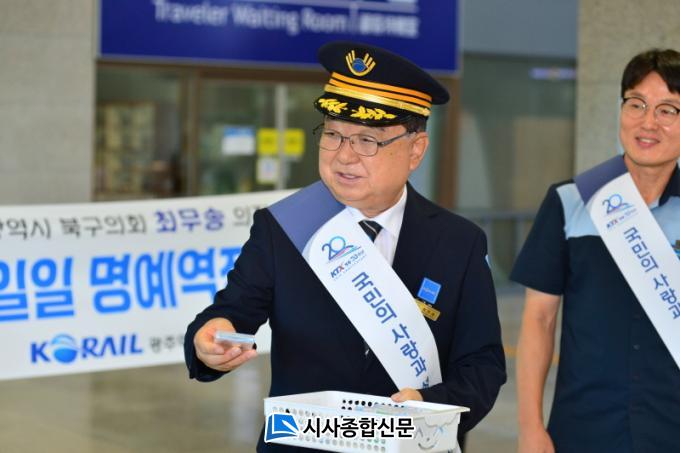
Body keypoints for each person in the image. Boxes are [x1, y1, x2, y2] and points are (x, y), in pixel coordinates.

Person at [185, 40, 506, 451]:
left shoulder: (458, 241)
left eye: (367, 140)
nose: (344, 156)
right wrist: (210, 338)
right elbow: (232, 312)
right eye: (333, 134)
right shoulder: (285, 227)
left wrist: (430, 404)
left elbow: (482, 365)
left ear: (416, 150)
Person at [512, 48, 680, 453]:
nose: (648, 122)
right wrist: (531, 427)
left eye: (668, 110)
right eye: (636, 104)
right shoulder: (571, 200)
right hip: (583, 430)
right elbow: (539, 321)